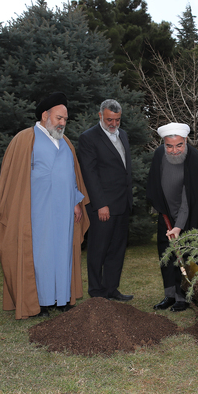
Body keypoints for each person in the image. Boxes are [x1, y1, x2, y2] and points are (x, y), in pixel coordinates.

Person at [0, 92, 90, 319]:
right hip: (37, 213)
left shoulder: (65, 143)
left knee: (63, 254)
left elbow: (72, 177)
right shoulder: (25, 139)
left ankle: (62, 299)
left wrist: (77, 202)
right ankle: (41, 302)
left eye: (65, 119)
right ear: (45, 115)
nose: (62, 123)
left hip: (64, 212)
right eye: (58, 118)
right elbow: (14, 180)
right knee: (41, 256)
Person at [146, 123, 198, 312]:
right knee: (167, 256)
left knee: (186, 256)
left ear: (185, 142)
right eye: (169, 146)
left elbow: (188, 200)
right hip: (166, 215)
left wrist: (179, 226)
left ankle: (184, 297)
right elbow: (153, 184)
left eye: (179, 145)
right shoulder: (159, 155)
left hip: (190, 218)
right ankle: (170, 295)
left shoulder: (195, 160)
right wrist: (161, 209)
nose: (174, 151)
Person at [77, 99, 134, 301]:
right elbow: (89, 174)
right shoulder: (88, 138)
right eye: (109, 119)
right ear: (100, 115)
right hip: (103, 206)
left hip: (122, 203)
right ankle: (97, 292)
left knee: (117, 249)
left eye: (117, 120)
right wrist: (100, 204)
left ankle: (111, 289)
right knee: (98, 249)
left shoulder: (123, 135)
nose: (113, 124)